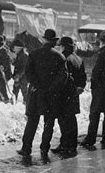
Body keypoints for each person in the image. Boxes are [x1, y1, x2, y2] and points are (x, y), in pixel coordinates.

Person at [17, 29, 68, 164]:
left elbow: (28, 73)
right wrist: (51, 88)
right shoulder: (60, 57)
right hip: (51, 95)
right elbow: (63, 76)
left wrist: (38, 85)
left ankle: (26, 148)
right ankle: (44, 149)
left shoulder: (34, 54)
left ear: (44, 40)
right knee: (48, 123)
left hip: (35, 93)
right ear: (55, 42)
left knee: (32, 121)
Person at [50, 36, 87, 158]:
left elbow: (61, 78)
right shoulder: (78, 59)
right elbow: (83, 78)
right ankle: (71, 144)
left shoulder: (63, 58)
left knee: (63, 120)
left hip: (64, 95)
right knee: (71, 119)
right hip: (74, 94)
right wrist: (79, 88)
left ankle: (65, 145)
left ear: (63, 46)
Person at [11, 39, 29, 104]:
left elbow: (24, 67)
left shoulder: (24, 55)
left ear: (18, 48)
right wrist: (13, 61)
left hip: (23, 77)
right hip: (18, 76)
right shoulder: (19, 54)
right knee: (15, 89)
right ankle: (13, 101)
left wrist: (19, 75)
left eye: (14, 48)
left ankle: (26, 103)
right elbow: (18, 64)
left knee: (24, 90)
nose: (13, 49)